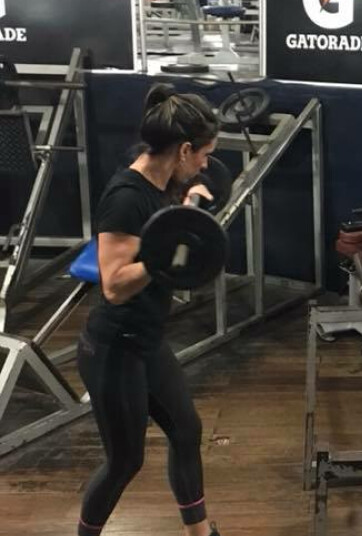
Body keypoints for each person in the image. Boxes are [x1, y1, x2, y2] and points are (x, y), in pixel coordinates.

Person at [76, 83, 222, 536]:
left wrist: (192, 199)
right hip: (113, 348)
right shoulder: (126, 197)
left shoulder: (164, 179)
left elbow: (180, 205)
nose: (205, 164)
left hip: (147, 340)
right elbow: (115, 286)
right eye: (203, 156)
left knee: (186, 430)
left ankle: (199, 534)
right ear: (183, 150)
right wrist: (164, 255)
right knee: (125, 461)